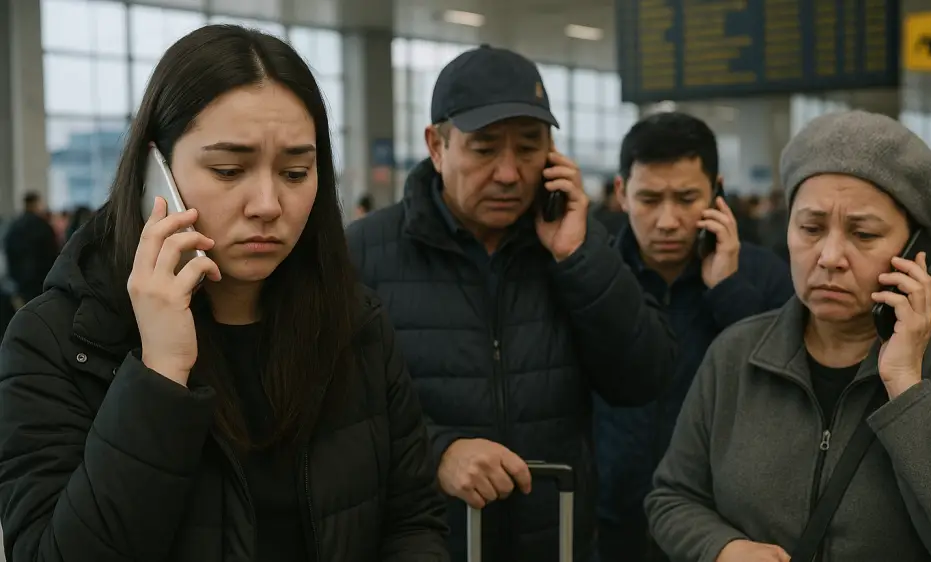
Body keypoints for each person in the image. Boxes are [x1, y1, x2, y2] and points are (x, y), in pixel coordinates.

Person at [0, 25, 447, 562]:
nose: (268, 204)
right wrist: (159, 374)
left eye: (296, 172)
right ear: (155, 173)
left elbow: (412, 523)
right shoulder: (58, 341)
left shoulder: (356, 323)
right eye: (229, 170)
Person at [347, 44, 674, 562]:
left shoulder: (578, 247)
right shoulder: (364, 254)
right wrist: (436, 452)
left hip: (556, 540)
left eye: (528, 148)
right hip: (425, 544)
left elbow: (643, 377)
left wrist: (578, 257)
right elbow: (332, 409)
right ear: (436, 146)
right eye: (484, 149)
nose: (508, 173)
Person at [646, 110, 931, 562]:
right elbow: (672, 497)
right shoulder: (737, 352)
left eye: (863, 234)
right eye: (810, 229)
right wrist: (721, 548)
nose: (830, 256)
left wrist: (907, 388)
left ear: (917, 252)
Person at [593, 112, 793, 562]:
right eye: (648, 199)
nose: (667, 221)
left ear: (716, 190)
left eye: (686, 198)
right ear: (622, 193)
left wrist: (728, 291)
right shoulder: (597, 276)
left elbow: (786, 389)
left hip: (722, 528)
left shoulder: (763, 277)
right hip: (611, 519)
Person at [3, 192, 59, 304]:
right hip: (41, 277)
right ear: (36, 204)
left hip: (21, 279)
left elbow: (9, 252)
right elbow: (52, 252)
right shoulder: (43, 226)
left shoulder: (14, 226)